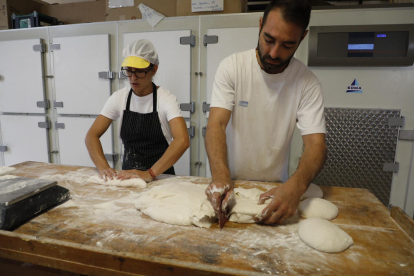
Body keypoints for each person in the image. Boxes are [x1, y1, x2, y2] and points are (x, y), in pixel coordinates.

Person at [204, 0, 327, 225]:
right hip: (229, 182)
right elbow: (216, 125)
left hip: (276, 189)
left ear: (302, 37)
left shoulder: (307, 83)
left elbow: (316, 146)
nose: (273, 52)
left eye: (287, 45)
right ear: (260, 24)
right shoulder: (232, 67)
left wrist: (295, 188)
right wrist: (221, 176)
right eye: (268, 39)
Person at [85, 39, 189, 182]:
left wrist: (150, 173)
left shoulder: (166, 99)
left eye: (140, 71)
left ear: (154, 69)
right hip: (127, 178)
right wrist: (103, 167)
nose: (133, 78)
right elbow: (91, 135)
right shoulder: (119, 98)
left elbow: (182, 140)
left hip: (161, 178)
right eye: (129, 71)